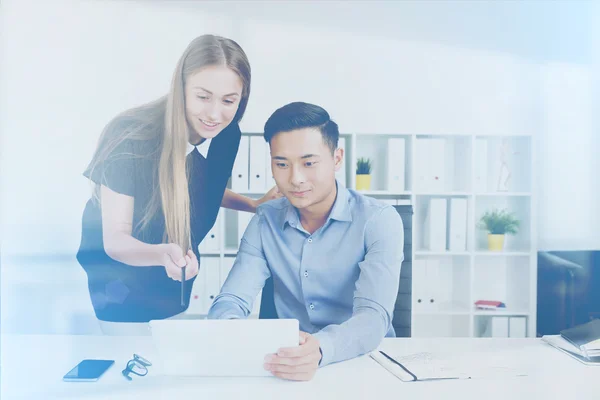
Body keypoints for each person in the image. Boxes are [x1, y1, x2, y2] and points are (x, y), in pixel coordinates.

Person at [76, 34, 279, 334]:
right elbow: (116, 239)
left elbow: (201, 187)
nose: (214, 114)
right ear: (181, 87)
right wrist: (160, 254)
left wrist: (252, 205)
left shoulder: (226, 135)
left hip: (174, 281)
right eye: (202, 96)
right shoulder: (131, 136)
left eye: (228, 100)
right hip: (121, 284)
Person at [208, 102, 404, 381]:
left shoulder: (379, 221)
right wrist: (231, 331)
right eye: (282, 164)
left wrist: (320, 348)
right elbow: (231, 300)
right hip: (288, 362)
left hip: (363, 363)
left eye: (309, 163)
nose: (295, 179)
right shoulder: (265, 220)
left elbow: (373, 318)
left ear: (337, 158)